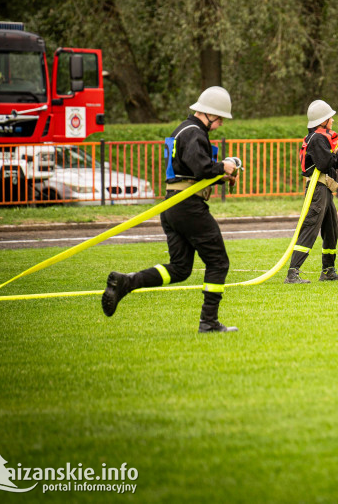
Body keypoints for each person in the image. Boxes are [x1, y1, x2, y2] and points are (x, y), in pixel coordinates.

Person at [102, 86, 242, 333]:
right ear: (208, 113)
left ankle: (126, 282)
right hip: (188, 206)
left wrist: (222, 176)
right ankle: (208, 322)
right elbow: (201, 168)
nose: (220, 124)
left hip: (173, 205)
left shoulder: (184, 130)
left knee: (179, 269)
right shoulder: (195, 133)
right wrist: (224, 167)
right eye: (219, 118)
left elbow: (189, 170)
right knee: (218, 262)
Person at [284, 100, 338, 284]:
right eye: (330, 117)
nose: (332, 120)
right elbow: (325, 163)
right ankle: (293, 273)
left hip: (324, 190)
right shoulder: (318, 139)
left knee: (331, 230)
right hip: (317, 191)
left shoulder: (319, 138)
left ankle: (328, 271)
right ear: (322, 121)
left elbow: (335, 162)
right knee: (310, 228)